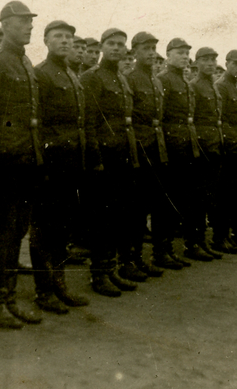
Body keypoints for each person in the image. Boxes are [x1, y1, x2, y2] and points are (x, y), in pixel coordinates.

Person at [0, 1, 44, 328]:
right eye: (22, 22)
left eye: (30, 22)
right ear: (4, 25)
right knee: (0, 235)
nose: (29, 27)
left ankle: (9, 298)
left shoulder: (25, 63)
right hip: (3, 166)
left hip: (26, 162)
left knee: (17, 232)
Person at [30, 20, 91, 314]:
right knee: (44, 228)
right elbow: (36, 123)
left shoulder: (71, 74)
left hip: (71, 163)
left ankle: (60, 284)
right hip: (50, 164)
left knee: (63, 227)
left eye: (69, 36)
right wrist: (41, 162)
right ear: (46, 40)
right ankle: (44, 290)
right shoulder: (41, 74)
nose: (65, 41)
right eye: (58, 36)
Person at [81, 28, 142, 296]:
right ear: (103, 46)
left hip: (123, 156)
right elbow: (89, 123)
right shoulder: (92, 77)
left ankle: (111, 269)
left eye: (121, 44)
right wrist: (95, 160)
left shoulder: (121, 77)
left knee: (119, 215)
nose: (117, 48)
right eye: (111, 44)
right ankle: (98, 275)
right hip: (103, 159)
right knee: (101, 218)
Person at [157, 38, 218, 262]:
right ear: (168, 55)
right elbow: (160, 117)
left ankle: (193, 244)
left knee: (192, 199)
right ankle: (163, 251)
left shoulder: (184, 80)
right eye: (179, 53)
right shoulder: (163, 80)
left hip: (189, 147)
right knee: (168, 202)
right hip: (172, 149)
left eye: (186, 53)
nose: (184, 56)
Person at [125, 31, 179, 274]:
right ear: (134, 51)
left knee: (159, 204)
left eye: (153, 48)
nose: (150, 53)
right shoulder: (129, 78)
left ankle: (160, 252)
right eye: (145, 48)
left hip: (158, 149)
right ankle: (132, 258)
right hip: (139, 149)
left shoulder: (156, 80)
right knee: (136, 208)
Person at [213, 50, 237, 251]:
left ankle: (230, 235)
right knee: (224, 195)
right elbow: (221, 120)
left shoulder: (235, 87)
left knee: (235, 193)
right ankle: (220, 238)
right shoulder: (221, 86)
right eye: (236, 64)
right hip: (228, 147)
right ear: (227, 63)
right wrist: (231, 142)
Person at [191, 48, 227, 253]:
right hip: (201, 147)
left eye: (213, 59)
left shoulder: (212, 87)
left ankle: (202, 241)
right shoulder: (194, 86)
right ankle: (195, 242)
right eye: (205, 60)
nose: (210, 64)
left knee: (209, 196)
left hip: (214, 146)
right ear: (196, 63)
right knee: (198, 198)